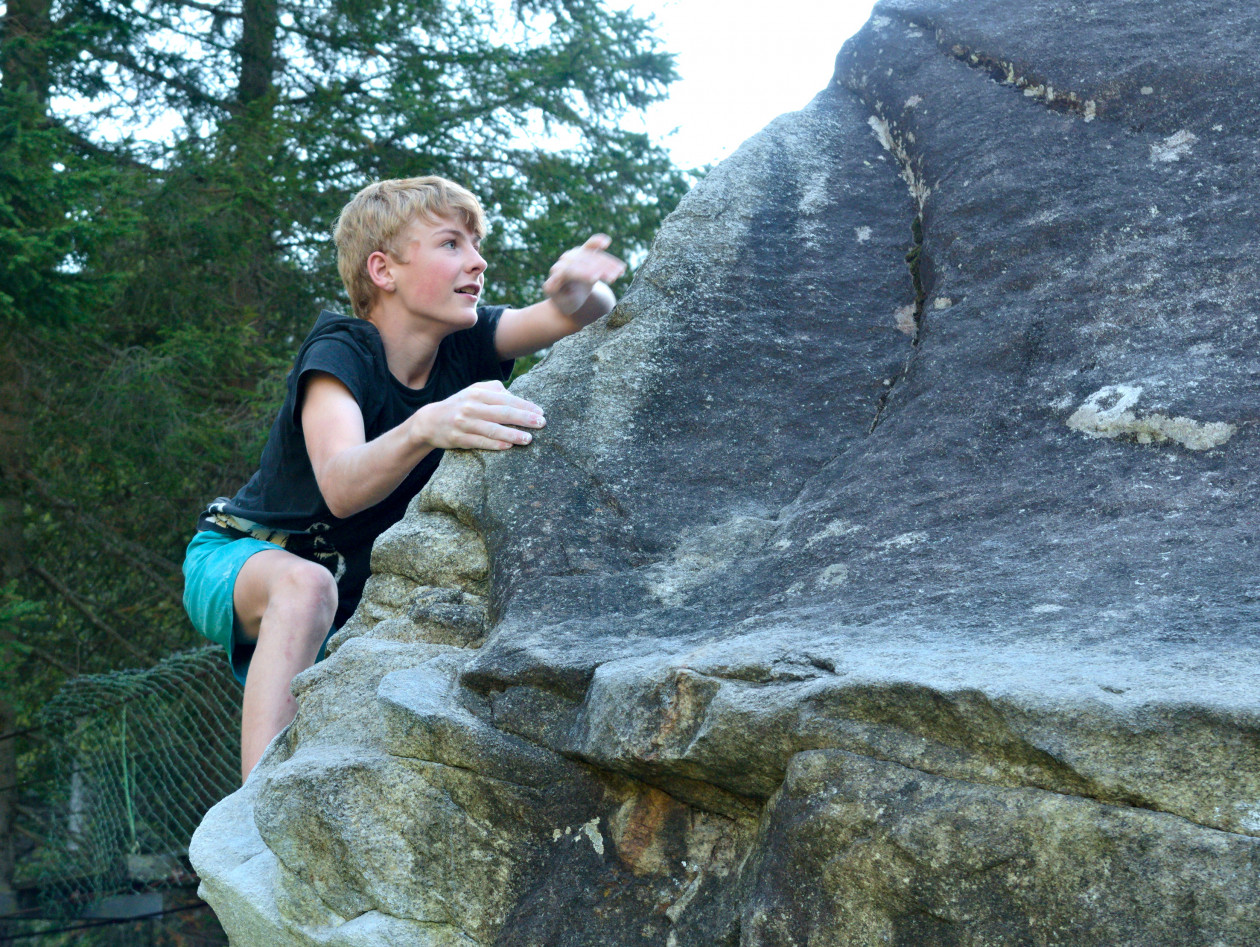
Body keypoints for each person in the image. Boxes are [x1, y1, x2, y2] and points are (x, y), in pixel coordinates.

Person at [181, 176, 625, 780]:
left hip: (352, 596)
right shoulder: (340, 353)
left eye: (476, 244)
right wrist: (427, 424)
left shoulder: (468, 344)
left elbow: (574, 317)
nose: (477, 260)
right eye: (451, 244)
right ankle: (257, 806)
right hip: (245, 556)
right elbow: (341, 484)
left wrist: (580, 290)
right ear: (383, 270)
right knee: (306, 587)